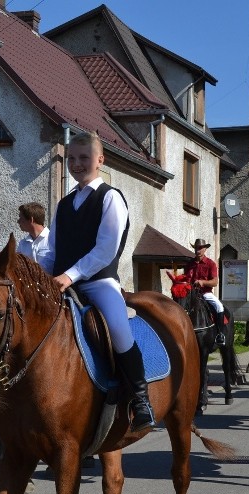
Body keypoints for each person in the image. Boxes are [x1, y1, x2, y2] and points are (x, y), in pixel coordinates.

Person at [39, 131, 155, 432]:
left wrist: (69, 275)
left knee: (117, 328)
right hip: (61, 284)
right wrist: (40, 277)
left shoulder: (110, 198)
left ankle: (141, 399)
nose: (77, 164)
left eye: (84, 158)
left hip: (98, 282)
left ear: (100, 160)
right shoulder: (64, 205)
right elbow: (51, 250)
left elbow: (106, 250)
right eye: (72, 159)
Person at [184, 239, 227, 346]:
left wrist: (203, 282)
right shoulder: (190, 264)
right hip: (190, 295)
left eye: (200, 248)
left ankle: (220, 335)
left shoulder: (210, 264)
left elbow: (215, 282)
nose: (197, 250)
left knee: (219, 307)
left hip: (205, 294)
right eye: (196, 248)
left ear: (205, 249)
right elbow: (185, 279)